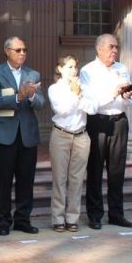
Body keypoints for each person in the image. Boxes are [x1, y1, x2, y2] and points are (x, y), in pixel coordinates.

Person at [0, 36, 45, 236]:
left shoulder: (33, 74)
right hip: (4, 135)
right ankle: (3, 221)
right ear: (7, 51)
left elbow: (42, 103)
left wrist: (32, 95)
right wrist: (18, 96)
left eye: (24, 50)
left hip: (27, 134)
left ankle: (22, 219)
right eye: (18, 50)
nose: (22, 53)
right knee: (4, 180)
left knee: (26, 180)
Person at [80, 34, 132, 230]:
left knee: (117, 171)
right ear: (99, 49)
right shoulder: (87, 71)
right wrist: (113, 92)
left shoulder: (122, 69)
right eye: (111, 47)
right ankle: (95, 215)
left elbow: (130, 100)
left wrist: (128, 95)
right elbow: (91, 103)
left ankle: (116, 214)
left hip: (119, 121)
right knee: (95, 169)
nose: (115, 50)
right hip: (98, 122)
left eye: (116, 47)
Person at [48, 55, 91, 233]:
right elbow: (62, 110)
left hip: (81, 135)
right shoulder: (54, 89)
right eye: (69, 67)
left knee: (77, 179)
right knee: (60, 178)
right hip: (61, 134)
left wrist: (80, 93)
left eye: (75, 67)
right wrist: (75, 94)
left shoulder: (84, 87)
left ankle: (72, 217)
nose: (73, 70)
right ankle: (58, 218)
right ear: (60, 69)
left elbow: (91, 108)